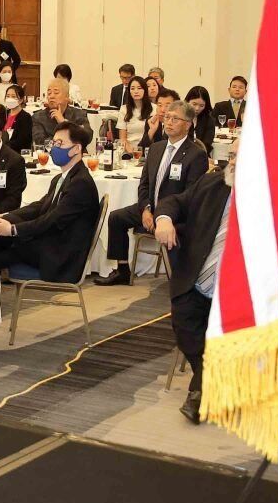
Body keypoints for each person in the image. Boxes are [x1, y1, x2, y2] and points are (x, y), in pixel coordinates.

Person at [0, 123, 100, 335]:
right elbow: (39, 207)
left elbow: (50, 221)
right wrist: (6, 218)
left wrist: (13, 230)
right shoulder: (63, 177)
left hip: (60, 254)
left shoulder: (80, 183)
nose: (54, 148)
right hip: (51, 242)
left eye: (60, 143)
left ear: (76, 149)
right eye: (54, 143)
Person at [153, 153, 235, 423]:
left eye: (239, 156)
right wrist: (164, 219)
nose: (232, 162)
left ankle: (199, 394)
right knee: (185, 323)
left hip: (239, 292)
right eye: (231, 155)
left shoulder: (272, 197)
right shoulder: (213, 184)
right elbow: (174, 201)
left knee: (227, 335)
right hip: (199, 283)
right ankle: (212, 382)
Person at [96, 101, 207, 286]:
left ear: (188, 124)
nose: (169, 122)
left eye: (175, 119)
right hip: (151, 207)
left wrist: (162, 216)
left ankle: (181, 279)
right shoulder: (156, 148)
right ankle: (122, 270)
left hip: (175, 215)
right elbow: (144, 184)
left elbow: (190, 195)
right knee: (116, 217)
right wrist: (146, 209)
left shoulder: (196, 154)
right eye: (167, 117)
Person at [0, 84, 34, 152]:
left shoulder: (25, 117)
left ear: (21, 100)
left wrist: (2, 146)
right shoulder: (3, 114)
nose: (10, 99)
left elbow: (23, 141)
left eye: (13, 96)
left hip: (16, 152)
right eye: (8, 96)